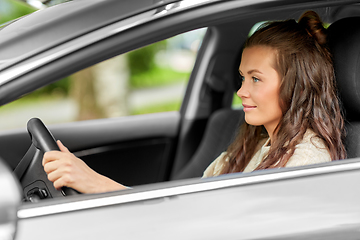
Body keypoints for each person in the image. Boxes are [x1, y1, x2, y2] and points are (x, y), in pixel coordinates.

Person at [42, 11, 346, 193]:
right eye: (242, 78)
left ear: (297, 86)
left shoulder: (306, 163)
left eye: (256, 79)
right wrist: (90, 179)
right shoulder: (255, 143)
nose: (240, 91)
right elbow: (186, 201)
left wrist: (95, 183)